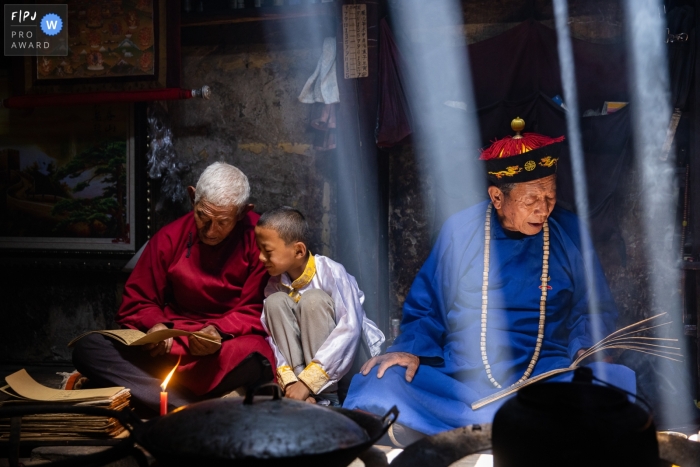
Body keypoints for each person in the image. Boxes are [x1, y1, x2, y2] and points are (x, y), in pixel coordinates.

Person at [343, 118, 635, 439]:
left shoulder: (569, 233)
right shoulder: (461, 231)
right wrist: (411, 349)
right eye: (530, 200)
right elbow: (427, 309)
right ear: (497, 197)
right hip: (462, 378)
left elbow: (592, 308)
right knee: (382, 379)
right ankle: (522, 430)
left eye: (549, 197)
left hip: (546, 377)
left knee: (614, 381)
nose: (543, 210)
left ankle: (471, 430)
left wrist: (584, 347)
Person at [72, 162, 274, 415]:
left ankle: (161, 399)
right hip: (171, 344)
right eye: (203, 216)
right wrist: (156, 327)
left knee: (257, 354)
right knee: (89, 347)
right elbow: (138, 300)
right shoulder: (170, 237)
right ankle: (194, 408)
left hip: (223, 348)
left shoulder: (260, 239)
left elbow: (258, 307)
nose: (210, 231)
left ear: (244, 212)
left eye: (222, 222)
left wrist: (219, 331)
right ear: (192, 198)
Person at [255, 206, 385, 406]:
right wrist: (291, 384)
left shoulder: (332, 273)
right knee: (274, 303)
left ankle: (326, 397)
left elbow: (349, 329)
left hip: (348, 360)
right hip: (302, 380)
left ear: (299, 250)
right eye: (260, 249)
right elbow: (272, 338)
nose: (260, 258)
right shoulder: (274, 285)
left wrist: (309, 382)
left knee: (313, 300)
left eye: (268, 251)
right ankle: (304, 397)